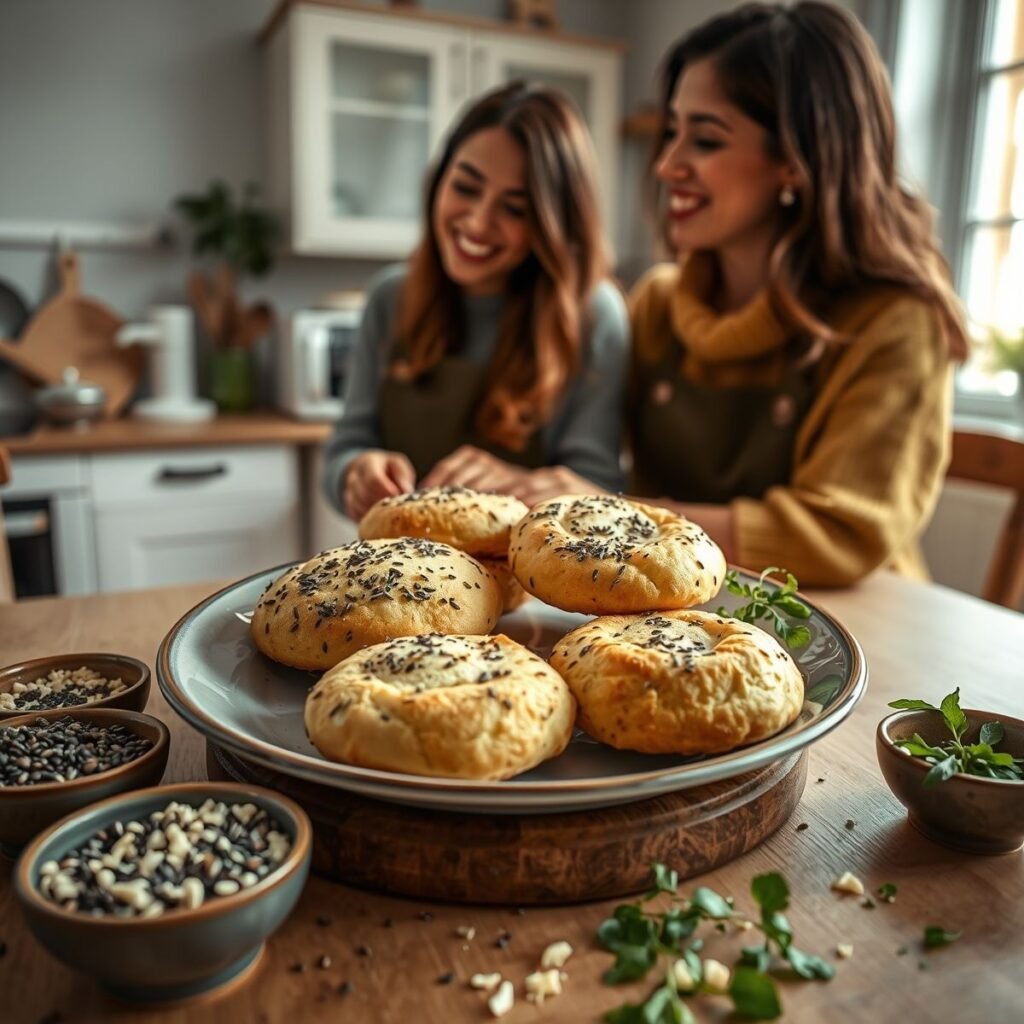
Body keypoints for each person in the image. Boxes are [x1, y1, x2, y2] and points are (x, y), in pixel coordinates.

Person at [538, 1, 969, 587]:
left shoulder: (897, 321)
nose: (666, 165)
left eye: (705, 140)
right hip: (688, 612)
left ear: (795, 160)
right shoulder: (658, 304)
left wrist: (621, 516)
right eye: (672, 132)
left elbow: (835, 535)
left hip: (855, 618)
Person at [322, 82, 629, 523]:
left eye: (515, 209)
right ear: (439, 180)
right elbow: (346, 445)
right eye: (466, 187)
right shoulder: (391, 297)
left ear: (553, 224)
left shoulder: (594, 315)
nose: (479, 223)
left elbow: (596, 486)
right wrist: (354, 472)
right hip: (397, 559)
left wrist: (519, 486)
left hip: (524, 567)